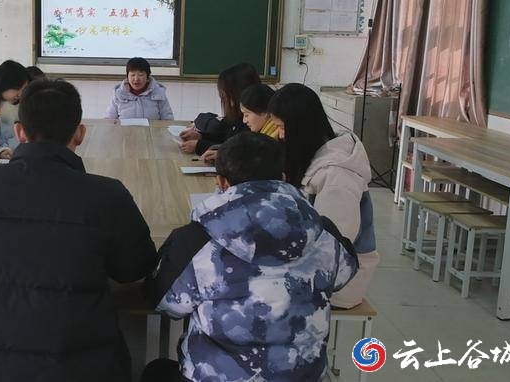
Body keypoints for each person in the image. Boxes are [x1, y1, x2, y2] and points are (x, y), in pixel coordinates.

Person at [0, 79, 157, 382]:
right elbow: (135, 267)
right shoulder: (108, 195)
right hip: (77, 370)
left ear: (19, 132)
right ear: (80, 133)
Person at [143, 131, 359, 382]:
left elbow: (167, 304)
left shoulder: (197, 239)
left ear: (222, 182)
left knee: (156, 371)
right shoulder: (323, 232)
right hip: (303, 377)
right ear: (283, 177)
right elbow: (345, 274)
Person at [268, 83, 379, 309]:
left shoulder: (337, 176)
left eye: (282, 127)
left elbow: (333, 245)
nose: (280, 136)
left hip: (340, 279)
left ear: (300, 127)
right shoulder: (320, 153)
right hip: (317, 264)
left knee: (245, 286)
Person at [179, 63, 260, 155]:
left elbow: (236, 150)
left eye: (225, 93)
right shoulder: (236, 116)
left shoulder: (252, 120)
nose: (222, 96)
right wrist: (200, 136)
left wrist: (199, 145)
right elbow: (225, 137)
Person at [200, 83, 280, 164]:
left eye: (247, 115)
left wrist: (226, 157)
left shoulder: (277, 137)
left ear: (265, 112)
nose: (244, 120)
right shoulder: (264, 133)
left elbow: (258, 161)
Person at [0, 60, 31, 153]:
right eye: (16, 88)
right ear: (3, 84)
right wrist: (1, 152)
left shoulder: (20, 105)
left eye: (23, 89)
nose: (20, 94)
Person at [105, 57, 174, 120]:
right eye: (132, 75)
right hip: (125, 130)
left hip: (152, 130)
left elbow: (168, 120)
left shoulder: (159, 94)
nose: (136, 79)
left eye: (141, 75)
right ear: (127, 77)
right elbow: (109, 121)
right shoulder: (119, 94)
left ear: (147, 78)